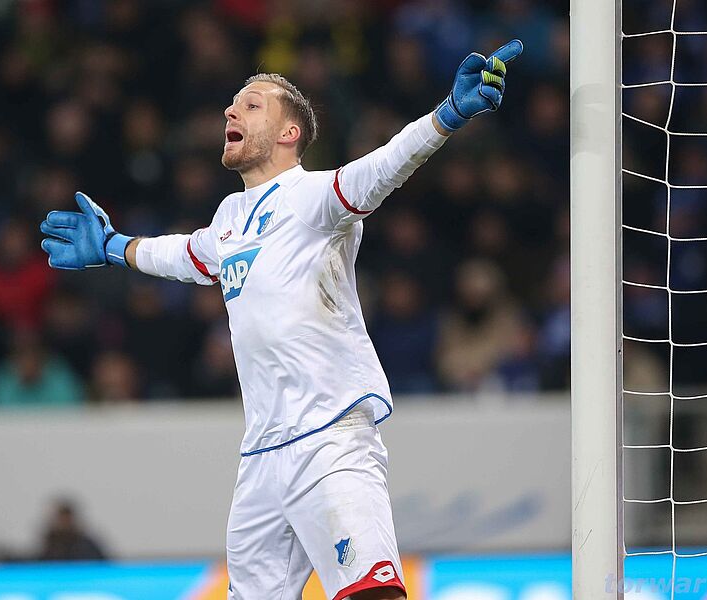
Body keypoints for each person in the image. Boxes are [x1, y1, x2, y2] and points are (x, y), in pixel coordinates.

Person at [40, 40, 523, 600]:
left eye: (251, 104)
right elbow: (184, 254)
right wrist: (114, 247)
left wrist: (448, 115)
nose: (231, 111)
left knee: (372, 593)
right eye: (232, 104)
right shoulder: (230, 217)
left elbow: (386, 165)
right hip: (262, 456)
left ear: (289, 132)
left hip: (330, 435)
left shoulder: (313, 196)